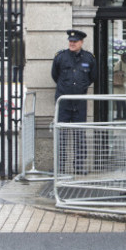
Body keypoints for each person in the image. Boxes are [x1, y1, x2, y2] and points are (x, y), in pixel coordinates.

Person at [51, 29, 97, 175]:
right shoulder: (61, 57)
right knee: (61, 135)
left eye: (75, 41)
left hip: (79, 102)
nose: (72, 43)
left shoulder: (89, 58)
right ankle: (60, 167)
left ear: (81, 42)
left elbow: (92, 77)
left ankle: (79, 166)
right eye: (70, 41)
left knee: (79, 135)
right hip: (63, 102)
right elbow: (55, 75)